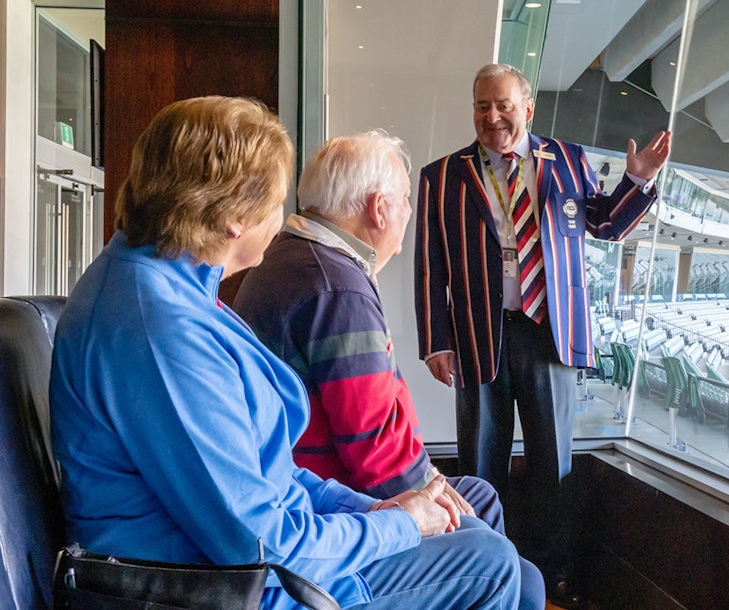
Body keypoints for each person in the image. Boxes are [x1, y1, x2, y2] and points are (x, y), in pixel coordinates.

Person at [50, 96, 522, 610]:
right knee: (491, 561)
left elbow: (270, 473)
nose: (283, 219)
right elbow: (261, 547)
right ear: (234, 217)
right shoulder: (160, 328)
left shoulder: (165, 285)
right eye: (277, 203)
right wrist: (400, 523)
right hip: (229, 588)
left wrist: (378, 510)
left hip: (247, 557)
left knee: (477, 532)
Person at [234, 130, 543, 609]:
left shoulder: (295, 258)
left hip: (322, 485)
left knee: (480, 495)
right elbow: (371, 443)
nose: (407, 215)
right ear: (378, 209)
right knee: (513, 571)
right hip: (334, 502)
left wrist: (433, 486)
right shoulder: (338, 288)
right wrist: (427, 493)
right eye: (404, 201)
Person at [415, 64, 671, 607]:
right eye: (483, 106)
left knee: (552, 461)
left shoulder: (569, 160)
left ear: (527, 109)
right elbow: (429, 264)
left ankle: (551, 574)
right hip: (477, 334)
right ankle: (482, 569)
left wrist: (638, 181)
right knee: (479, 459)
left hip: (549, 333)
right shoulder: (444, 175)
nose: (493, 117)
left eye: (503, 105)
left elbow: (604, 225)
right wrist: (436, 341)